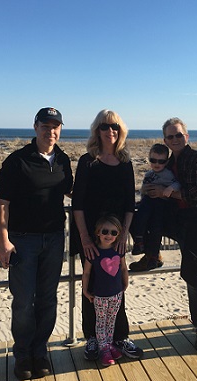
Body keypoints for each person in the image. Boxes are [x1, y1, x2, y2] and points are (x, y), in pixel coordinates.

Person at [0, 107, 73, 380]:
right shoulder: (17, 161)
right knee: (24, 301)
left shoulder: (63, 160)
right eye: (45, 125)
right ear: (35, 127)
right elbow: (2, 205)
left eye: (56, 126)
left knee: (48, 299)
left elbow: (72, 191)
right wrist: (3, 242)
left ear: (60, 129)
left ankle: (40, 352)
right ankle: (23, 354)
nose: (50, 131)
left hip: (53, 239)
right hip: (23, 241)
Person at [130, 117, 197, 350]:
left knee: (192, 273)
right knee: (144, 216)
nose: (175, 139)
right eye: (170, 136)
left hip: (193, 222)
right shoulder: (165, 161)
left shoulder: (195, 158)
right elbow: (151, 182)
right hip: (172, 217)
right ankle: (152, 255)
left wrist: (167, 193)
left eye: (178, 135)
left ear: (186, 137)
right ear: (165, 140)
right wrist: (148, 191)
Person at [71, 109, 143, 361]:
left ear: (120, 131)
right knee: (91, 286)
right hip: (91, 235)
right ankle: (92, 338)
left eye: (114, 127)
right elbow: (77, 204)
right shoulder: (87, 161)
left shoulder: (125, 163)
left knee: (116, 287)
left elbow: (129, 205)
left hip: (115, 236)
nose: (109, 131)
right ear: (97, 130)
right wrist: (85, 238)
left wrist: (124, 235)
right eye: (104, 126)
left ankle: (119, 337)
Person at [82, 216, 129, 366]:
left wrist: (125, 284)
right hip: (100, 296)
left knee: (111, 321)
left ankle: (108, 345)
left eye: (114, 233)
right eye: (105, 231)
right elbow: (87, 273)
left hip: (116, 294)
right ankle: (103, 349)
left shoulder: (118, 252)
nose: (109, 235)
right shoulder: (93, 253)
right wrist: (85, 290)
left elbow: (123, 268)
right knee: (101, 322)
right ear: (98, 233)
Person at [129, 143, 180, 267]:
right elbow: (143, 190)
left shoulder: (168, 174)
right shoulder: (148, 175)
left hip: (161, 205)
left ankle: (153, 255)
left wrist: (168, 190)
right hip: (147, 202)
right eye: (153, 160)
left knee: (155, 228)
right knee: (136, 218)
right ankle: (139, 241)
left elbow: (177, 184)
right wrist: (142, 195)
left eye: (161, 161)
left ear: (166, 162)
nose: (157, 164)